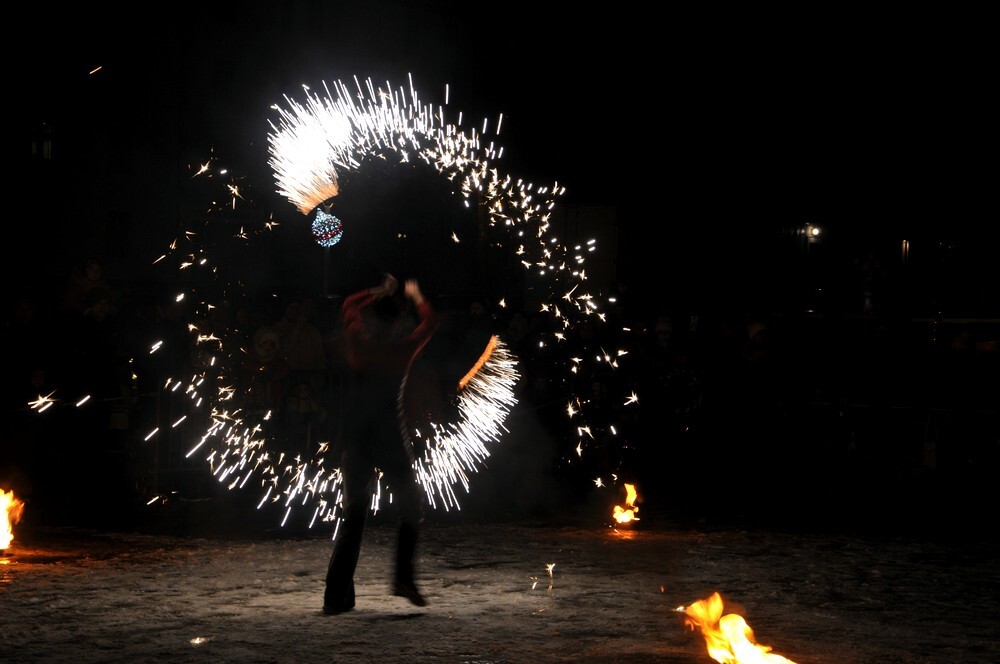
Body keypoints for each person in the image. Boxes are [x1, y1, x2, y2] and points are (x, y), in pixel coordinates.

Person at [324, 273, 439, 614]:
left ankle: (336, 598)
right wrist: (416, 295)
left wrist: (379, 290)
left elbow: (348, 303)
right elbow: (430, 323)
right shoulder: (402, 349)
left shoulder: (358, 340)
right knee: (410, 508)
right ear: (399, 321)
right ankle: (403, 576)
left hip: (357, 438)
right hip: (389, 438)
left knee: (353, 517)